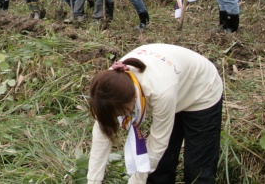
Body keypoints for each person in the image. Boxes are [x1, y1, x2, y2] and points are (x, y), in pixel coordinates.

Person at [87, 44, 223, 184]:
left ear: (132, 99)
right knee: (161, 166)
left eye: (120, 113)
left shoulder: (160, 91)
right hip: (173, 82)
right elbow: (102, 133)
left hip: (201, 90)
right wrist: (93, 180)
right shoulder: (107, 87)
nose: (118, 117)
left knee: (197, 168)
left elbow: (158, 141)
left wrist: (136, 181)